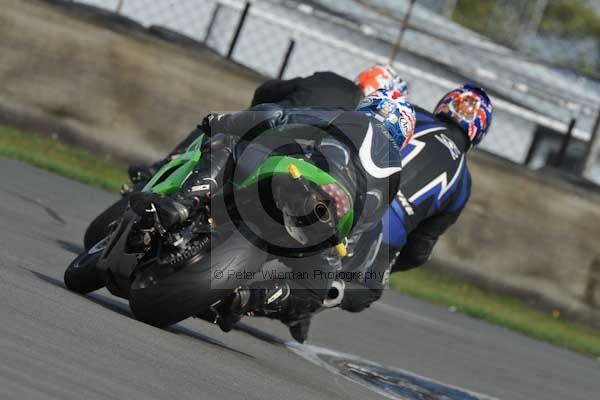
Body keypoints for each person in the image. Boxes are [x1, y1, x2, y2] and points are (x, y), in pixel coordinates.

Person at [138, 89, 416, 342]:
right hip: (330, 230)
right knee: (312, 293)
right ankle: (249, 297)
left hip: (299, 180)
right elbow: (360, 232)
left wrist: (223, 121)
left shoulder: (356, 121)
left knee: (229, 142)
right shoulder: (395, 177)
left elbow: (280, 116)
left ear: (370, 107)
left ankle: (185, 203)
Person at [339, 84, 494, 314]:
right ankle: (331, 291)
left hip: (346, 188)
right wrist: (384, 266)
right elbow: (418, 251)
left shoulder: (413, 114)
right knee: (364, 291)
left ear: (445, 103)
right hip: (384, 234)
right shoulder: (463, 183)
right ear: (479, 129)